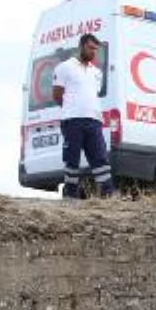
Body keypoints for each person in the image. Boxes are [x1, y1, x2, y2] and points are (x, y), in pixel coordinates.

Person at [52, 33, 114, 199]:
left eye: (96, 49)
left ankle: (108, 196)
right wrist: (72, 109)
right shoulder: (64, 67)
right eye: (90, 48)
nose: (93, 52)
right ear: (81, 46)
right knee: (72, 160)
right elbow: (57, 95)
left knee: (100, 159)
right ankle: (70, 196)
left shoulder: (97, 72)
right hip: (72, 121)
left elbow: (93, 94)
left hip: (94, 121)